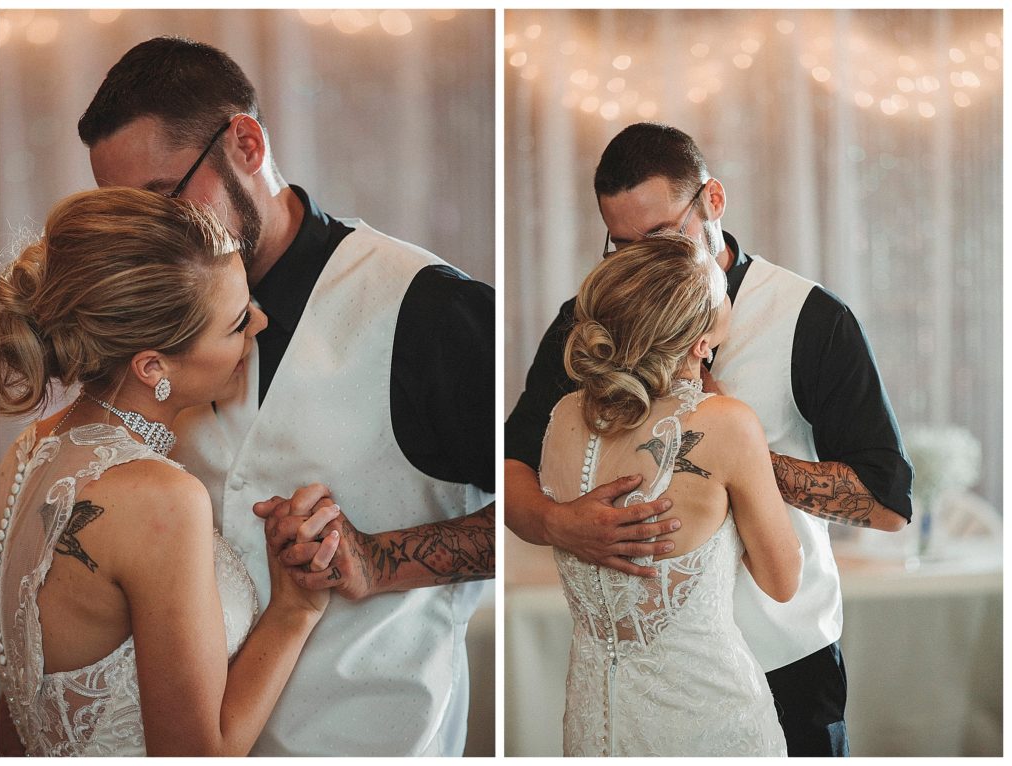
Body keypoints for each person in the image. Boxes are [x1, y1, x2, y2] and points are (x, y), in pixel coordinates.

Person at [76, 36, 495, 756]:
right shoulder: (153, 321)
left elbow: (538, 505)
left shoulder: (429, 310)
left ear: (244, 142)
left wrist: (381, 556)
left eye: (163, 202)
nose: (154, 240)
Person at [506, 123, 914, 756]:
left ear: (712, 201)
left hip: (784, 660)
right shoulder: (590, 322)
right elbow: (511, 463)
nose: (641, 263)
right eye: (620, 246)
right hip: (634, 676)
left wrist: (733, 460)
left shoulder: (809, 318)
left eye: (663, 236)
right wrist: (557, 523)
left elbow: (887, 504)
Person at [0, 187, 336, 755]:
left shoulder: (33, 448)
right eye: (234, 324)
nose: (260, 322)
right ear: (153, 366)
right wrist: (293, 612)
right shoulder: (161, 497)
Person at [541, 234, 799, 756]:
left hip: (594, 727)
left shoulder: (563, 418)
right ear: (701, 344)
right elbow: (782, 579)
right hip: (708, 722)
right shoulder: (727, 424)